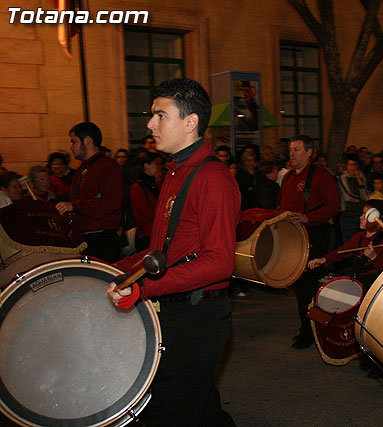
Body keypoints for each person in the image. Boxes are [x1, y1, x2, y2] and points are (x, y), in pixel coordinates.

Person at [107, 78, 240, 426]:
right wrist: (105, 270)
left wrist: (144, 287)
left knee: (168, 411)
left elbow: (219, 262)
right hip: (177, 312)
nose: (150, 124)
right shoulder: (176, 171)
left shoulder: (213, 179)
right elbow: (159, 251)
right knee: (203, 410)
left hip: (198, 319)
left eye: (160, 115)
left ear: (190, 122)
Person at [279, 135, 340, 349]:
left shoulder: (321, 175)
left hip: (314, 234)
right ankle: (310, 329)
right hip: (293, 236)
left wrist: (308, 217)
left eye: (296, 149)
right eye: (290, 150)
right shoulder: (287, 177)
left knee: (307, 284)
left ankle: (312, 332)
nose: (291, 154)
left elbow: (334, 205)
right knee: (300, 285)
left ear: (309, 152)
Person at [55, 122, 123, 263]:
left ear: (87, 141)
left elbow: (111, 202)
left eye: (73, 141)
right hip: (84, 239)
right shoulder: (84, 168)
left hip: (101, 241)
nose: (70, 147)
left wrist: (74, 206)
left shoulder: (107, 166)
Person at [307, 199, 383, 290]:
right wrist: (324, 259)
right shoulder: (359, 236)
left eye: (365, 215)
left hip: (373, 287)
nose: (360, 217)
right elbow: (343, 251)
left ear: (377, 221)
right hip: (358, 282)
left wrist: (374, 257)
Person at [129, 151, 165, 252]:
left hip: (159, 233)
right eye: (157, 164)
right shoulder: (137, 188)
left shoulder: (157, 184)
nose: (160, 167)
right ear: (146, 166)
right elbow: (148, 213)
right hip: (146, 235)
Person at [337, 154, 369, 242]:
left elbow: (365, 195)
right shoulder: (343, 177)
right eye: (350, 165)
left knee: (360, 240)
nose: (353, 167)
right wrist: (360, 199)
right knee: (349, 240)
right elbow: (348, 196)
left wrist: (359, 179)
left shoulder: (361, 176)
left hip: (360, 213)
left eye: (354, 165)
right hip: (348, 213)